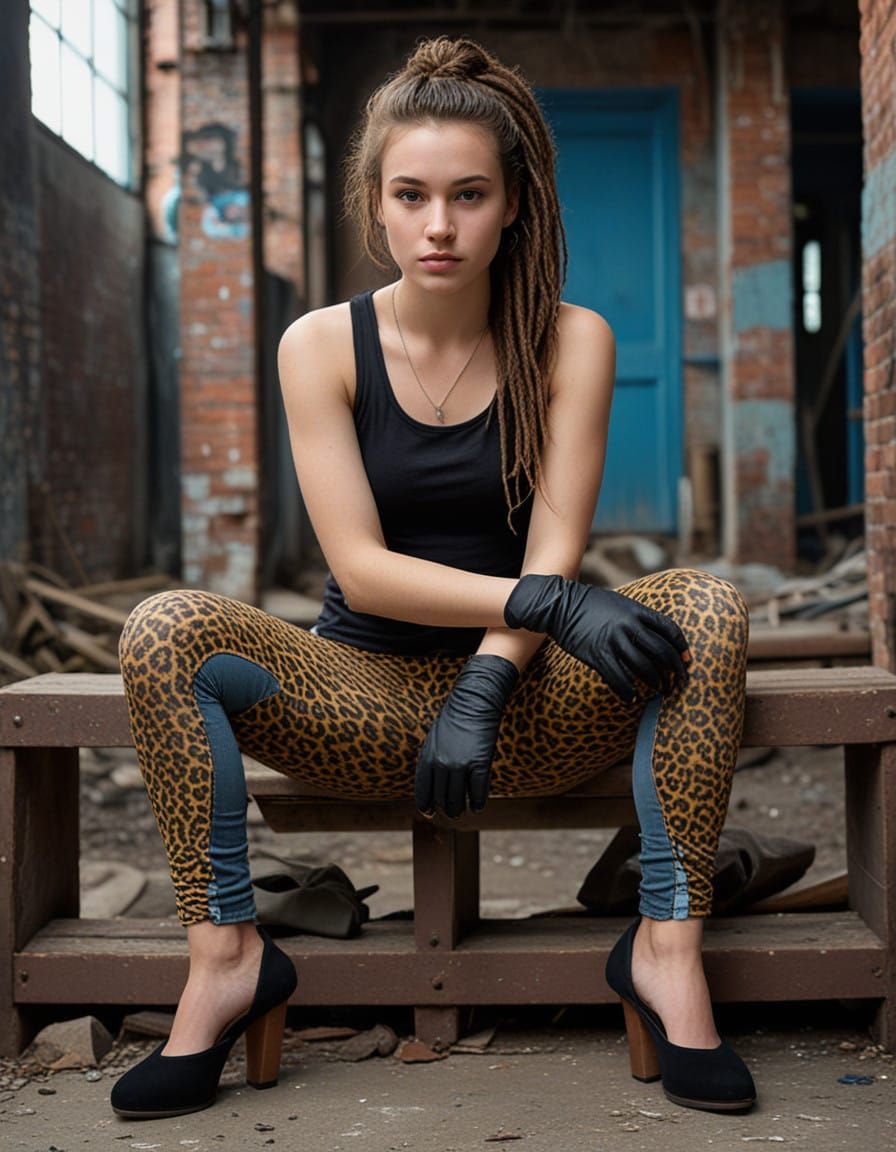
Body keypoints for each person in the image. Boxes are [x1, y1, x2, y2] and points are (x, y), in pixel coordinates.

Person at [110, 35, 755, 1120]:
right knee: (162, 626)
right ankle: (225, 959)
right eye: (410, 195)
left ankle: (664, 950)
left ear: (513, 204)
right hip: (360, 704)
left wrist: (491, 672)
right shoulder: (318, 345)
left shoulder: (572, 340)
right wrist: (540, 603)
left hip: (525, 708)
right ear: (376, 203)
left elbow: (552, 551)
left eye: (468, 194)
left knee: (706, 604)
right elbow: (359, 570)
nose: (439, 226)